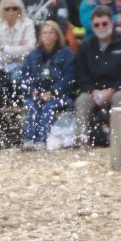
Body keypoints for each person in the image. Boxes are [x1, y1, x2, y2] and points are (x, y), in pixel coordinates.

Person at [74, 7, 121, 146]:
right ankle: (82, 140)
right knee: (82, 100)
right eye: (97, 24)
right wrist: (92, 91)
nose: (101, 27)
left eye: (104, 23)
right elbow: (81, 74)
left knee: (120, 98)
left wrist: (113, 90)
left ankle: (118, 142)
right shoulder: (86, 45)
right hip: (95, 90)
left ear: (112, 23)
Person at [20, 20, 76, 149]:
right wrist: (32, 90)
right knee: (31, 106)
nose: (47, 35)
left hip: (60, 96)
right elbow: (25, 76)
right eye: (44, 32)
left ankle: (42, 140)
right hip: (38, 93)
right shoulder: (33, 55)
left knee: (48, 107)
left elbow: (69, 78)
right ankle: (29, 139)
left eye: (51, 32)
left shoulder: (66, 54)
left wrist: (53, 92)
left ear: (57, 36)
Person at [0, 0, 35, 75]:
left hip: (22, 66)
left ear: (19, 9)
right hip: (1, 67)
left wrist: (5, 48)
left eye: (14, 8)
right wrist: (20, 49)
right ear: (3, 10)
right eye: (7, 9)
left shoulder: (28, 24)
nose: (11, 11)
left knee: (16, 76)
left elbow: (29, 50)